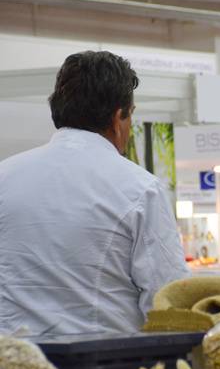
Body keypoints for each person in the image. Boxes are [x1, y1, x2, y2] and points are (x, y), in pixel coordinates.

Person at [0, 51, 189, 336]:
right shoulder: (140, 188)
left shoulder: (5, 176)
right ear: (118, 118)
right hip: (105, 366)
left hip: (12, 367)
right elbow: (167, 300)